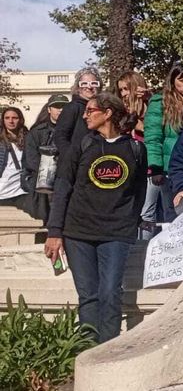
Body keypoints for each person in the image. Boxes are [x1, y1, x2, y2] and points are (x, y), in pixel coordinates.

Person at [44, 93, 147, 343]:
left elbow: (139, 191)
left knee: (110, 292)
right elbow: (63, 186)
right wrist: (55, 231)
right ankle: (87, 349)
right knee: (88, 296)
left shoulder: (135, 148)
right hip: (78, 232)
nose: (85, 115)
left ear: (108, 113)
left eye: (90, 110)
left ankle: (108, 351)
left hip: (116, 233)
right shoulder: (82, 145)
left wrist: (129, 220)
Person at [144, 63, 183, 224]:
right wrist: (155, 167)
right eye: (182, 80)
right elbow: (153, 137)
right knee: (172, 212)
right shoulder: (160, 102)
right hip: (169, 167)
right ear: (173, 80)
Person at [22, 95, 70, 222]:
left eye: (64, 107)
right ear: (49, 109)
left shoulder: (75, 131)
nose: (61, 110)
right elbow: (31, 160)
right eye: (57, 106)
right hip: (42, 181)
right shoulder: (36, 132)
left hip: (67, 179)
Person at [54, 67, 101, 156]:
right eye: (84, 84)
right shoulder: (72, 107)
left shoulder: (103, 108)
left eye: (94, 83)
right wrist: (72, 155)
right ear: (78, 88)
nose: (89, 87)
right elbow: (60, 136)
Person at [0, 107, 28, 212]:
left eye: (14, 118)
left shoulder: (29, 139)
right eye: (7, 118)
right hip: (2, 191)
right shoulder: (1, 141)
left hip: (21, 192)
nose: (11, 121)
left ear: (20, 120)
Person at [113, 71, 150, 141]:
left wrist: (142, 128)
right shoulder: (121, 113)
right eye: (121, 90)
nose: (123, 94)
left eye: (126, 89)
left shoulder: (154, 108)